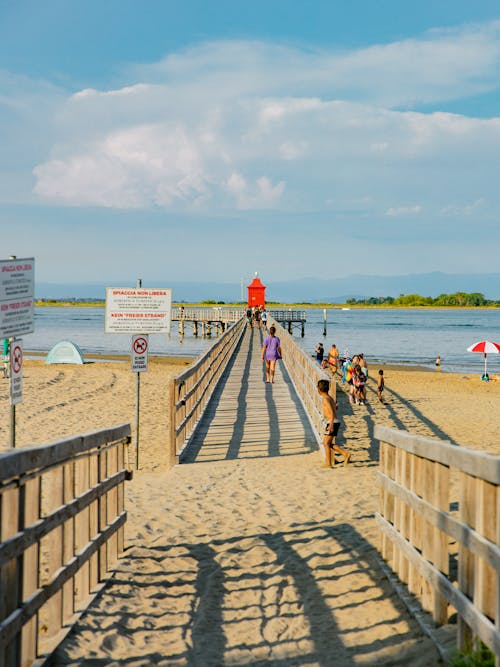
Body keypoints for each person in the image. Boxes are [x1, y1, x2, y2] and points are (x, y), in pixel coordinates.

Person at [317, 379, 351, 468]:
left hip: (332, 422)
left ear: (319, 390)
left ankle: (329, 463)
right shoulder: (330, 397)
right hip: (334, 422)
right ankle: (345, 454)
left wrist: (331, 425)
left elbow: (332, 413)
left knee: (326, 443)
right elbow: (334, 409)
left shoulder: (325, 399)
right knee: (328, 443)